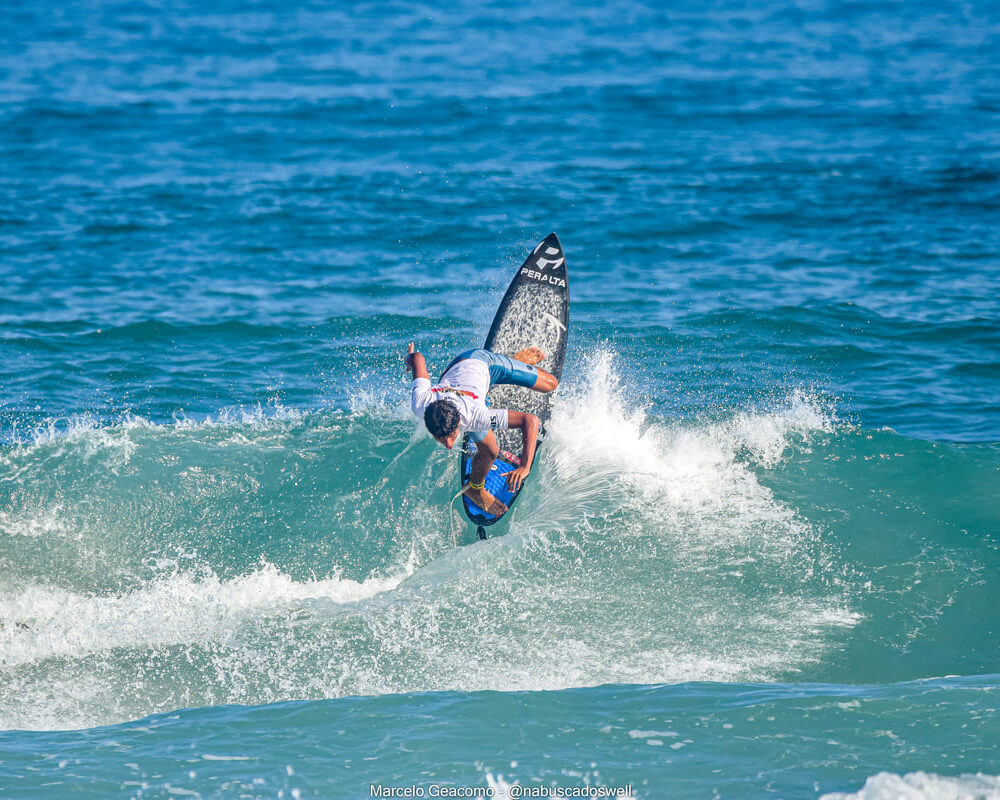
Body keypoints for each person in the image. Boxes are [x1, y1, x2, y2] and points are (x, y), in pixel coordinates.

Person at [406, 343, 558, 515]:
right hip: (455, 375)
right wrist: (408, 359)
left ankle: (514, 361)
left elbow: (530, 420)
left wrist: (525, 466)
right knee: (490, 450)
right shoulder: (421, 404)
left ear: (458, 423)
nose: (449, 445)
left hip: (483, 363)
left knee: (551, 383)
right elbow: (417, 358)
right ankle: (475, 489)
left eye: (451, 436)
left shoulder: (475, 415)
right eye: (440, 438)